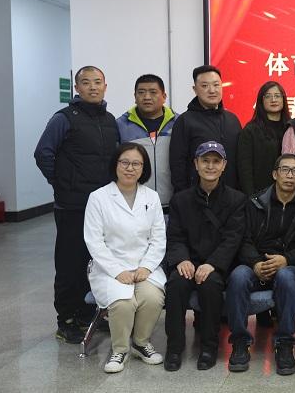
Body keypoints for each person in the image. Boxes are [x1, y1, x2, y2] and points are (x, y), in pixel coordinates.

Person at [34, 65, 119, 343]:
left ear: (105, 86)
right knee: (70, 263)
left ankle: (86, 314)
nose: (93, 87)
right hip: (73, 206)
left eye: (97, 82)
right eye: (86, 82)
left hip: (102, 206)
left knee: (94, 261)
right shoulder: (64, 118)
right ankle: (66, 319)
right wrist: (61, 184)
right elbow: (43, 153)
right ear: (77, 88)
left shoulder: (109, 120)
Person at [163, 141, 246, 371]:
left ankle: (209, 348)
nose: (210, 166)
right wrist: (182, 259)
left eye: (216, 161)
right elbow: (175, 236)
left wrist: (212, 264)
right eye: (205, 161)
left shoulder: (236, 200)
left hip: (216, 265)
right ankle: (174, 348)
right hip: (187, 262)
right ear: (196, 164)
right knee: (176, 284)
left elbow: (233, 239)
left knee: (210, 285)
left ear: (224, 165)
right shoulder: (181, 200)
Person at [84, 143, 166, 373]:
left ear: (143, 168)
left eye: (136, 164)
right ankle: (119, 349)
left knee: (152, 298)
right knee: (123, 302)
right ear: (115, 165)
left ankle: (140, 343)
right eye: (125, 162)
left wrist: (147, 267)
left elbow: (158, 238)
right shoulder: (98, 198)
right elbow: (94, 241)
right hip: (109, 268)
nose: (130, 168)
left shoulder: (152, 197)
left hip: (143, 266)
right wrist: (117, 271)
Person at [227, 153, 295, 375]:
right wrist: (255, 263)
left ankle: (284, 344)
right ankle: (239, 342)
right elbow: (242, 239)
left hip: (289, 265)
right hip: (256, 263)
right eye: (285, 170)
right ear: (275, 174)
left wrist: (287, 259)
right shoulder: (254, 202)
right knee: (238, 276)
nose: (290, 175)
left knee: (286, 277)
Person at [170, 64, 242, 193]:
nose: (212, 90)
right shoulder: (184, 121)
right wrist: (185, 196)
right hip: (196, 197)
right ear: (195, 89)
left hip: (230, 197)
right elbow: (177, 164)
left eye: (216, 85)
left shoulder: (233, 120)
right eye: (204, 86)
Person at [116, 74, 177, 207]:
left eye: (153, 92)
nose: (147, 97)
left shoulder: (178, 123)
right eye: (141, 92)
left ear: (164, 96)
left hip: (172, 205)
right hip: (134, 205)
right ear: (135, 97)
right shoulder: (120, 125)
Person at [237, 81, 290, 196]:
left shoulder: (290, 128)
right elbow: (245, 169)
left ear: (283, 100)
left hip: (288, 193)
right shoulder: (250, 130)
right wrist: (251, 197)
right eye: (268, 96)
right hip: (260, 194)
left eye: (277, 96)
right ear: (261, 101)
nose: (273, 100)